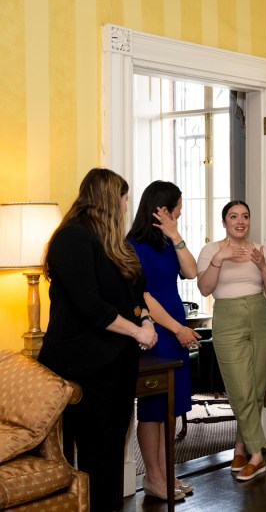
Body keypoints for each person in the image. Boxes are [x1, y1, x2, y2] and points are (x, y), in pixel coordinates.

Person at [38, 168, 158, 511]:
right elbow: (91, 306)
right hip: (83, 364)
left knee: (110, 450)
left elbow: (136, 291)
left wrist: (146, 319)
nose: (125, 206)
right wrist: (138, 331)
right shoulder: (72, 239)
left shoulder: (115, 244)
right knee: (97, 453)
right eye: (123, 198)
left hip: (117, 362)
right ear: (108, 199)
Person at [128, 180, 201, 501]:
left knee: (171, 408)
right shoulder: (132, 245)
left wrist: (176, 235)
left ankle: (168, 474)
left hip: (175, 329)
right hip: (157, 332)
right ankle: (154, 479)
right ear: (162, 209)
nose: (180, 213)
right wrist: (177, 329)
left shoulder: (168, 241)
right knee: (152, 409)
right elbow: (143, 296)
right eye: (178, 210)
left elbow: (192, 271)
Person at [197, 200, 266, 482]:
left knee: (255, 390)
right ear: (225, 222)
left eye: (245, 215)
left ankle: (240, 447)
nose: (240, 221)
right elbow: (205, 288)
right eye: (233, 216)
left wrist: (263, 267)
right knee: (239, 390)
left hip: (260, 315)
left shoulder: (260, 250)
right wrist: (220, 258)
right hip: (228, 316)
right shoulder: (210, 250)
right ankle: (258, 455)